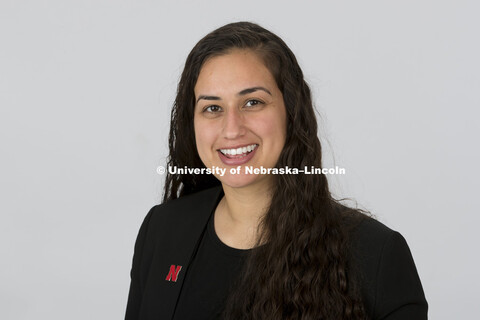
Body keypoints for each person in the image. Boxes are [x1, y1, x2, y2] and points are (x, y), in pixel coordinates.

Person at [125, 21, 428, 320]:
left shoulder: (377, 255)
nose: (231, 129)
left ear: (291, 113)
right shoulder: (161, 231)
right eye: (212, 108)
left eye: (253, 102)